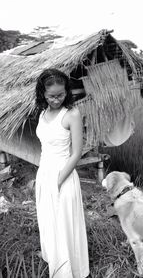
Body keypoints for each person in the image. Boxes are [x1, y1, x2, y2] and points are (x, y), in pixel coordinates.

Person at [35, 68, 90, 278]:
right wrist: (45, 179)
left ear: (67, 91)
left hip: (63, 175)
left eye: (61, 94)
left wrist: (58, 181)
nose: (56, 99)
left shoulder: (72, 114)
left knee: (64, 223)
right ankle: (54, 260)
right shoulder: (42, 113)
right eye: (51, 96)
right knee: (49, 221)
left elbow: (76, 153)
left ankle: (69, 270)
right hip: (44, 173)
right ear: (42, 94)